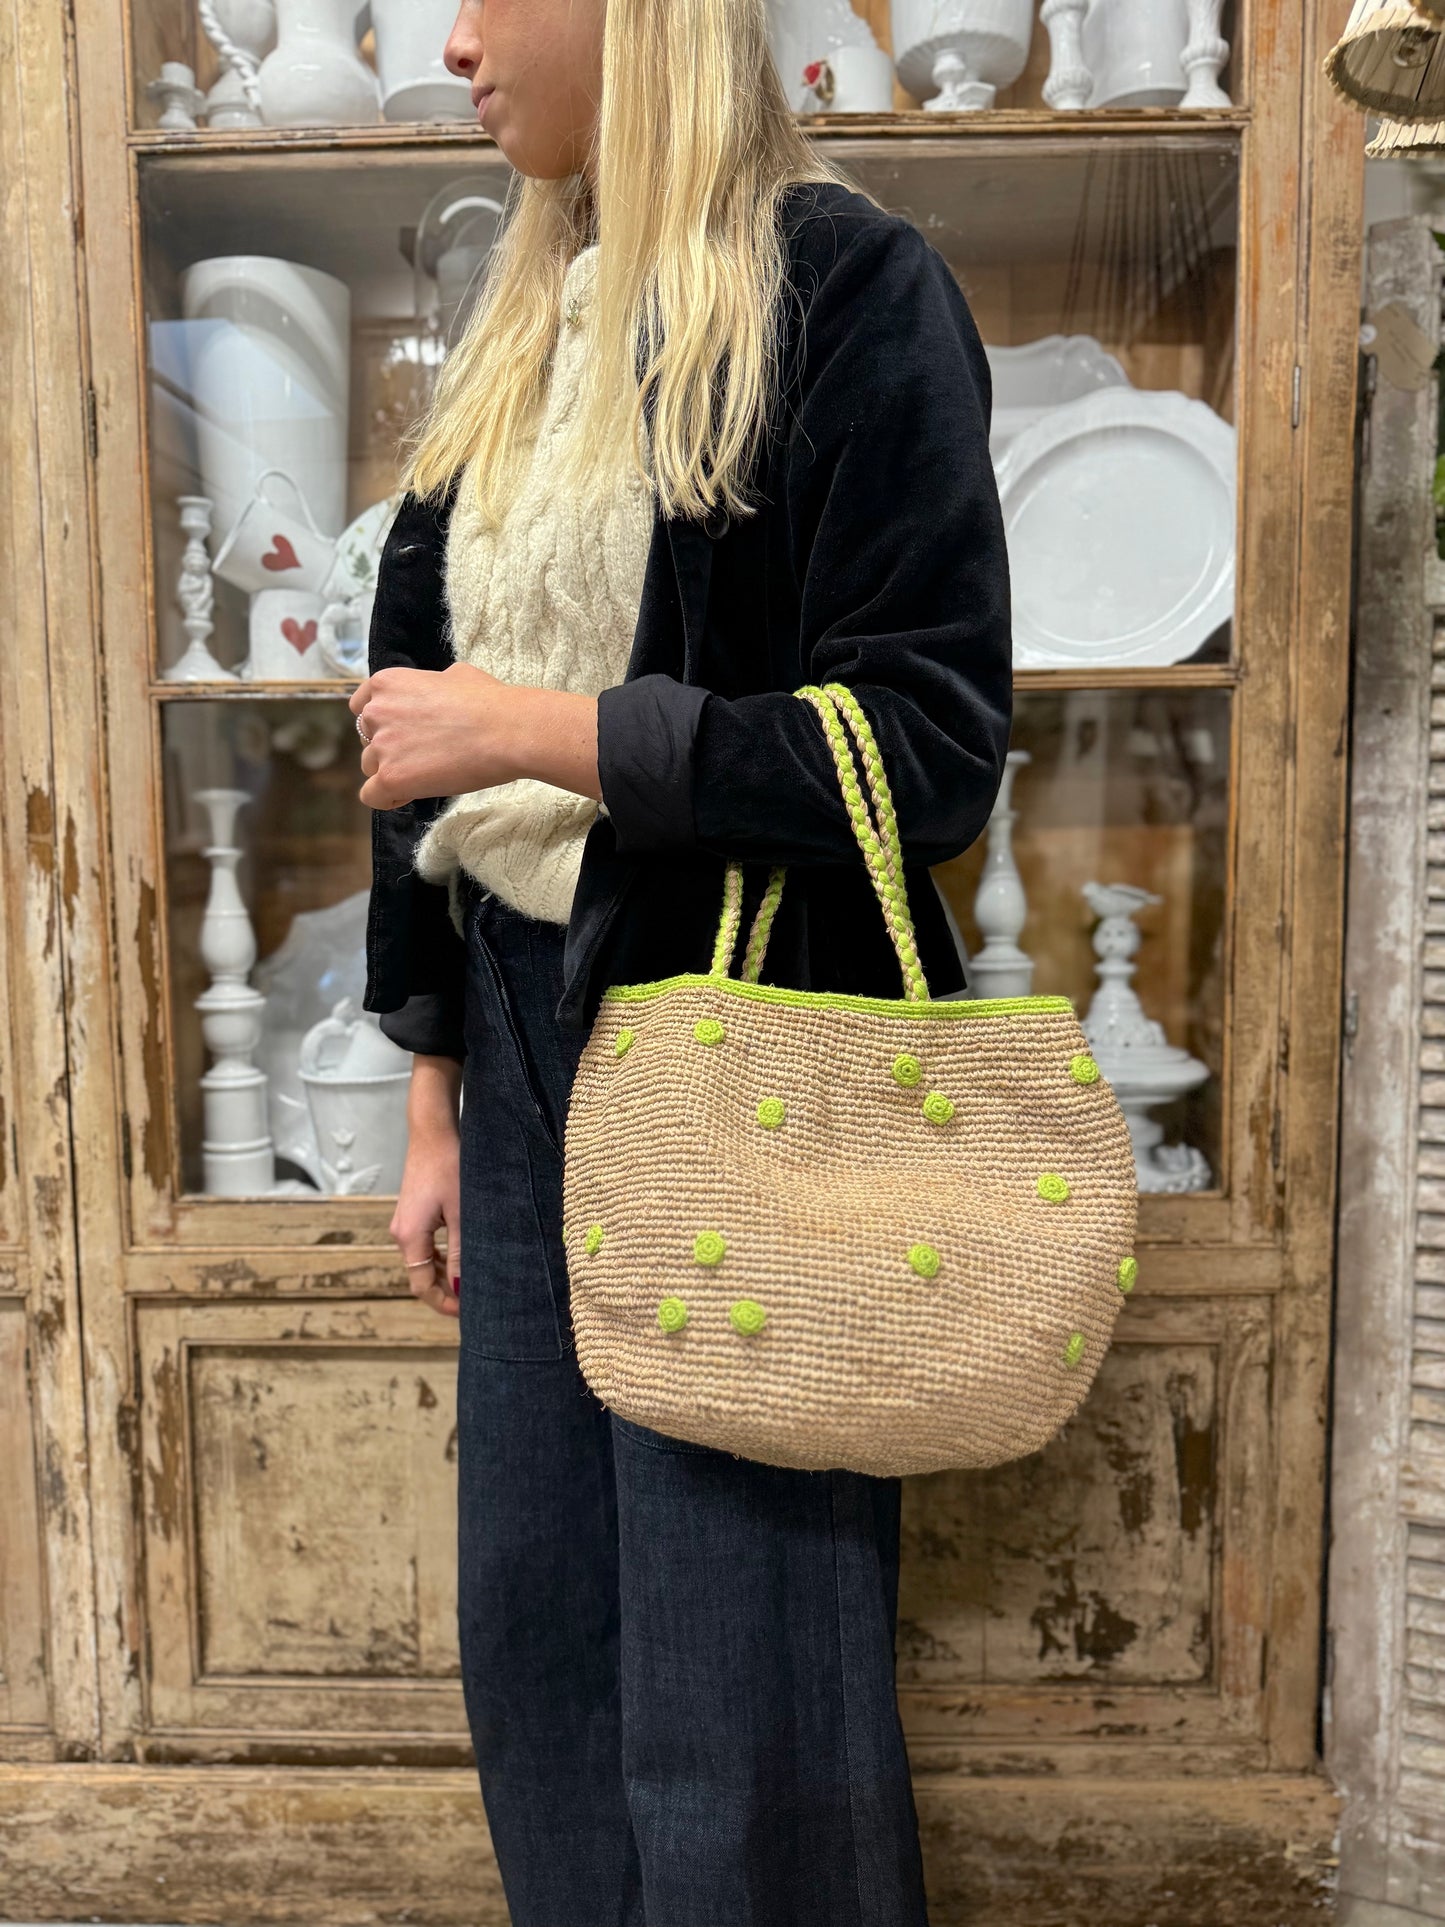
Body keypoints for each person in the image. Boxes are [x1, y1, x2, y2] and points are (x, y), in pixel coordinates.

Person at [348, 1, 1011, 1919]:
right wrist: (432, 1100)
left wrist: (545, 733)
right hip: (527, 1058)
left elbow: (926, 747)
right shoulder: (510, 347)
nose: (454, 44)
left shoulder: (844, 291)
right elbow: (411, 753)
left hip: (744, 1065)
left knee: (745, 1677)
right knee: (542, 1644)